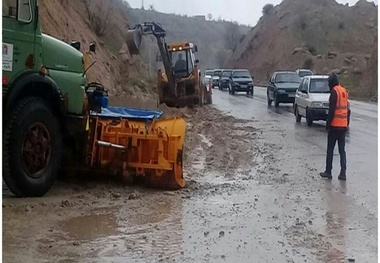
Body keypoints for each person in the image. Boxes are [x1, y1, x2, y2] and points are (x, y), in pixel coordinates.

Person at [320, 73, 349, 181]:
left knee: (330, 150)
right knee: (342, 151)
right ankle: (343, 173)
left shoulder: (334, 92)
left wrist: (327, 124)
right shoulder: (344, 91)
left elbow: (332, 111)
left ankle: (328, 171)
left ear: (331, 82)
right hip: (343, 126)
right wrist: (346, 123)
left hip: (334, 126)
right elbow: (347, 110)